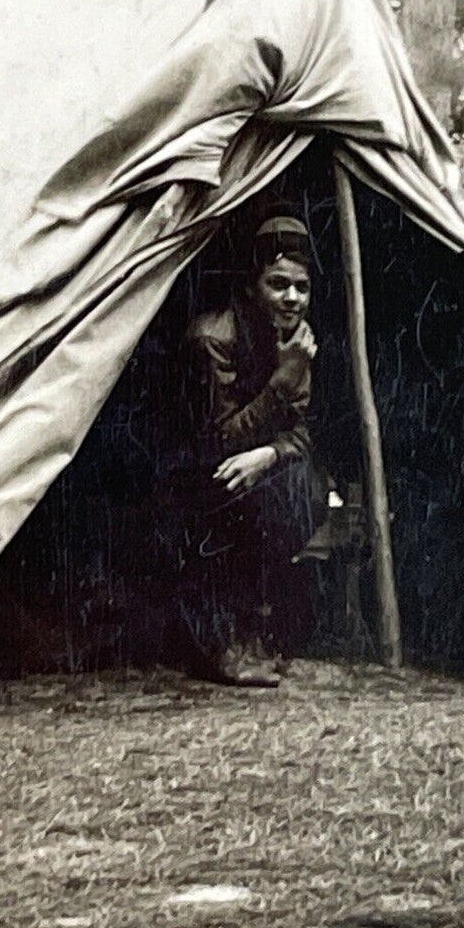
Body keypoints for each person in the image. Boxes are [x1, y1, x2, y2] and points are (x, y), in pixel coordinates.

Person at [169, 214, 328, 687]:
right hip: (199, 480)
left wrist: (269, 456)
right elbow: (216, 441)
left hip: (253, 472)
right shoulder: (212, 338)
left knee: (305, 488)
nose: (292, 298)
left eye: (301, 287)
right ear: (253, 287)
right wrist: (283, 380)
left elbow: (304, 434)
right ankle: (221, 642)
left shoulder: (295, 341)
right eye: (278, 284)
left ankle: (253, 626)